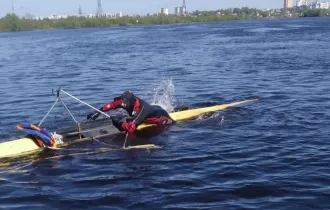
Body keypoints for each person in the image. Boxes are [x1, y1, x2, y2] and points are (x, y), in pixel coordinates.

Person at [87, 91, 175, 133]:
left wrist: (119, 123)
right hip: (152, 108)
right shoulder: (125, 101)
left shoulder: (140, 111)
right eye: (122, 102)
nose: (123, 104)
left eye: (125, 103)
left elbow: (131, 129)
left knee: (170, 124)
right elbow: (112, 105)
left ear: (132, 102)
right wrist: (98, 112)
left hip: (160, 115)